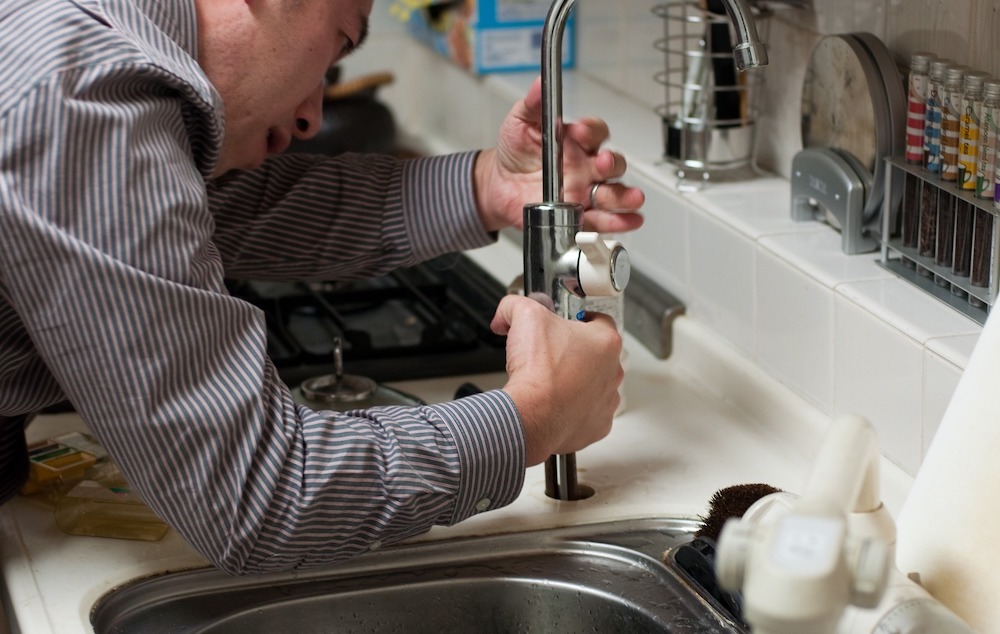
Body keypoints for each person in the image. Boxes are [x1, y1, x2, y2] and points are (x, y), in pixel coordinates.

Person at [0, 0, 646, 574]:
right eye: (339, 44)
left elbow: (231, 213)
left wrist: (489, 187)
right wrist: (533, 417)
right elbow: (255, 498)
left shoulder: (90, 48)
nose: (311, 117)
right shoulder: (85, 100)